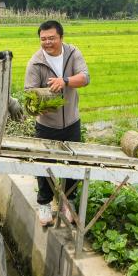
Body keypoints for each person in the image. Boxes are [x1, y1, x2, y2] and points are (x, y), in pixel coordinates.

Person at [24, 20, 90, 227]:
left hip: (71, 121)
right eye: (43, 39)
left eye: (51, 38)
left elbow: (85, 78)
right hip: (46, 125)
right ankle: (44, 204)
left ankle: (67, 202)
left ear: (61, 37)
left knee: (73, 163)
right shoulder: (35, 62)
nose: (47, 42)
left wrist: (65, 81)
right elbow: (29, 92)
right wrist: (41, 99)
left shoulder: (73, 53)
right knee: (44, 164)